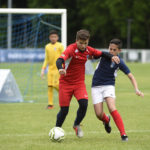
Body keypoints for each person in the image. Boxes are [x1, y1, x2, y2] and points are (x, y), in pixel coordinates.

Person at [55, 29, 120, 138]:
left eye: (85, 43)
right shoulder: (71, 49)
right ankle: (56, 129)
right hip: (65, 84)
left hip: (79, 84)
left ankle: (76, 125)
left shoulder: (88, 50)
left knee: (84, 104)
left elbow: (101, 54)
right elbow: (60, 60)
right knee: (64, 110)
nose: (83, 46)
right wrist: (60, 69)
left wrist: (111, 56)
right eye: (81, 43)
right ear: (76, 41)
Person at [91, 38, 144, 141]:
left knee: (112, 107)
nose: (111, 51)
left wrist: (136, 89)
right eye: (110, 49)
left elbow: (131, 76)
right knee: (98, 114)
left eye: (114, 50)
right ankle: (106, 120)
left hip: (109, 85)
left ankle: (123, 134)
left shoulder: (120, 62)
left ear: (119, 51)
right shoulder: (104, 55)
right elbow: (91, 56)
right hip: (96, 86)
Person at [41, 30, 64, 109]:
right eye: (52, 37)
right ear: (49, 38)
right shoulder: (47, 46)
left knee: (55, 85)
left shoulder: (60, 46)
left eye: (55, 37)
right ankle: (50, 104)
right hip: (50, 69)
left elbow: (63, 57)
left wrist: (63, 67)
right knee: (50, 86)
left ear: (57, 37)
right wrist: (43, 69)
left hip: (58, 69)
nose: (53, 38)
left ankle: (64, 97)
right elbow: (46, 59)